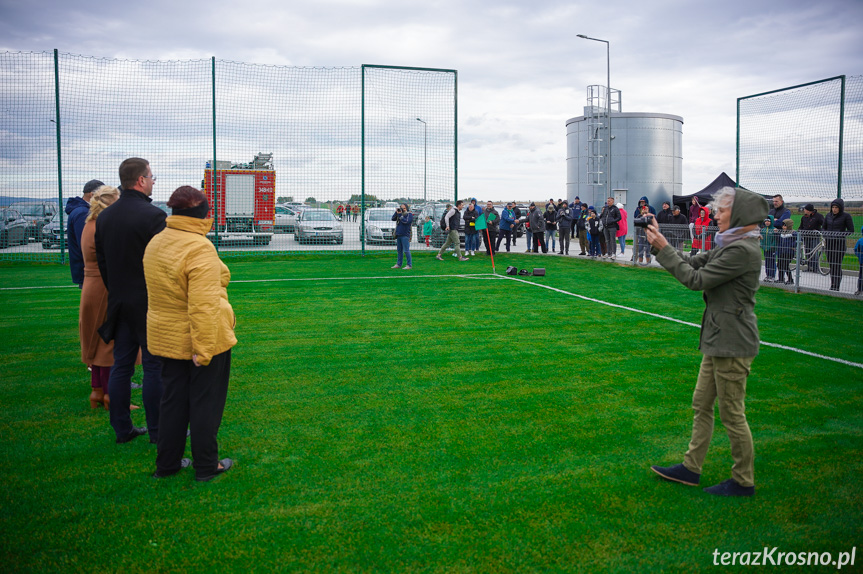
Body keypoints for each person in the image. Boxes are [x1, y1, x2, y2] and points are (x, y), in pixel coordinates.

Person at [647, 186, 768, 497]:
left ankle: (743, 481)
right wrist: (661, 244)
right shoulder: (731, 245)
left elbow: (695, 279)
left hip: (732, 342)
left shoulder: (742, 250)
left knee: (731, 413)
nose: (715, 215)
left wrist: (663, 249)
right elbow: (691, 261)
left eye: (722, 210)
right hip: (717, 338)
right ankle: (691, 467)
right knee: (701, 404)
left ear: (739, 214)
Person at [143, 186, 237, 481]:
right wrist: (205, 349)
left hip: (167, 338)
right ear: (206, 215)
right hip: (201, 338)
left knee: (172, 401)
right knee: (205, 403)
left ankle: (167, 464)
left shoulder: (157, 242)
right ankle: (207, 465)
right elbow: (203, 306)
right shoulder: (198, 248)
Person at [95, 157, 166, 444]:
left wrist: (117, 290)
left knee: (122, 365)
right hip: (149, 302)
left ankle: (122, 429)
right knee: (153, 367)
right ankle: (160, 432)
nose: (152, 182)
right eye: (151, 177)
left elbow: (103, 263)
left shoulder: (105, 216)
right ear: (140, 180)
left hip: (120, 300)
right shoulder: (153, 216)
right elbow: (164, 263)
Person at [79, 185, 119, 409]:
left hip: (91, 285)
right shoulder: (103, 227)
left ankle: (97, 391)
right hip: (104, 285)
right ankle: (110, 396)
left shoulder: (88, 225)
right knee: (108, 341)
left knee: (94, 338)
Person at [67, 179, 104, 288]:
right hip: (88, 270)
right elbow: (86, 244)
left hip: (86, 268)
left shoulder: (81, 210)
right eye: (101, 195)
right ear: (91, 194)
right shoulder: (83, 212)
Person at [822, 198, 855, 291]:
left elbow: (851, 230)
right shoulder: (828, 216)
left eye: (836, 207)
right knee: (832, 265)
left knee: (837, 265)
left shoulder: (846, 216)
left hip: (839, 244)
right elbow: (823, 228)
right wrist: (826, 233)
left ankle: (836, 286)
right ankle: (832, 284)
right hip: (829, 244)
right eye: (833, 207)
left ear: (840, 208)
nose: (834, 209)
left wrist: (840, 234)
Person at [799, 203, 824, 271]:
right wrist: (800, 231)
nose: (804, 210)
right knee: (807, 252)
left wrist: (819, 231)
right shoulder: (804, 217)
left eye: (805, 209)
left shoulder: (818, 216)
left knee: (814, 253)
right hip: (806, 237)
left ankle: (816, 268)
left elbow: (824, 225)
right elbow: (801, 227)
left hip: (814, 237)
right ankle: (809, 267)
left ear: (808, 210)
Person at [392, 203, 413, 269]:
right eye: (401, 208)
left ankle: (409, 265)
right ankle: (399, 264)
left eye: (404, 208)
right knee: (399, 250)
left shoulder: (409, 215)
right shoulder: (399, 214)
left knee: (406, 250)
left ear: (407, 208)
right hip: (399, 234)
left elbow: (406, 222)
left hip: (405, 235)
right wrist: (396, 212)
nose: (403, 210)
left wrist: (400, 215)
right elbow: (393, 218)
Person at [776, 219, 796, 285]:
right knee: (779, 265)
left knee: (785, 265)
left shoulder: (793, 233)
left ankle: (790, 279)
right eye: (783, 226)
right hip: (781, 251)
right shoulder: (781, 233)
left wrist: (792, 246)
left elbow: (798, 240)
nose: (783, 227)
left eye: (785, 226)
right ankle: (781, 279)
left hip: (789, 252)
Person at [759, 215, 777, 282]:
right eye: (765, 221)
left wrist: (773, 246)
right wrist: (761, 245)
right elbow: (761, 239)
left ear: (771, 221)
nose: (767, 222)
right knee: (767, 262)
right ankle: (768, 275)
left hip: (772, 249)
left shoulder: (774, 230)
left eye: (768, 221)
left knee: (772, 262)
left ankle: (772, 276)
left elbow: (775, 240)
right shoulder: (763, 230)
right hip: (765, 249)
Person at [854, 226, 863, 296]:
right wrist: (860, 256)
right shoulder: (860, 241)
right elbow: (856, 249)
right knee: (861, 276)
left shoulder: (860, 240)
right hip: (862, 261)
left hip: (861, 260)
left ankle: (860, 289)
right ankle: (860, 289)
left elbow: (856, 250)